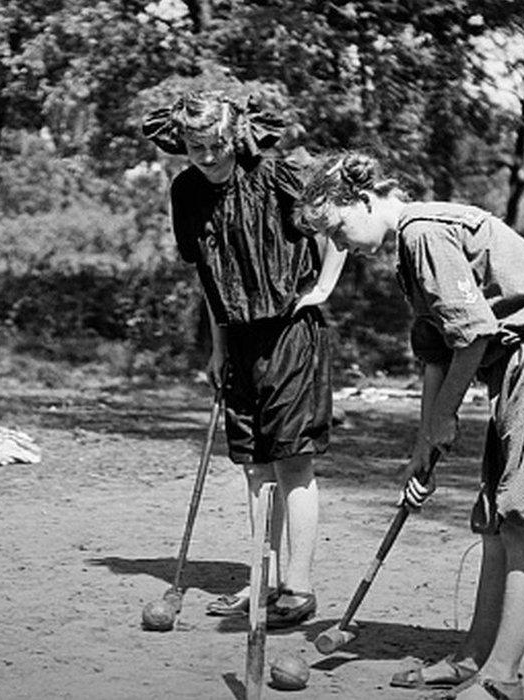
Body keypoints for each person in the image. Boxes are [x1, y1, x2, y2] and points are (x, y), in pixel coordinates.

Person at [295, 154, 524, 700]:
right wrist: (423, 444)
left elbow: (475, 335)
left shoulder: (423, 232)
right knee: (494, 522)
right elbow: (437, 356)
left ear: (363, 201)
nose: (339, 247)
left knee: (523, 523)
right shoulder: (409, 255)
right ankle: (472, 659)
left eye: (338, 229)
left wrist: (445, 419)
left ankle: (501, 677)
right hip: (517, 367)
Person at [143, 89, 347, 627]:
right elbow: (209, 277)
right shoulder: (186, 190)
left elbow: (340, 225)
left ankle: (297, 590)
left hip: (290, 334)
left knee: (292, 460)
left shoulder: (278, 174)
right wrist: (216, 346)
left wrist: (323, 287)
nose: (205, 157)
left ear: (233, 136)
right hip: (237, 341)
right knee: (255, 467)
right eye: (194, 147)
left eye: (213, 145)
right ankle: (262, 582)